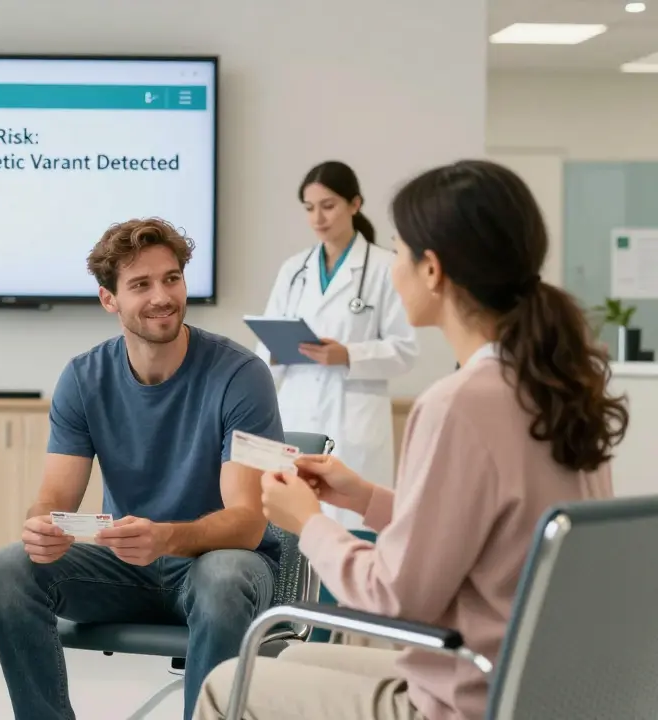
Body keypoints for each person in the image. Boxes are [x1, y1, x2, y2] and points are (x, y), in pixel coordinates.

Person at [196, 160, 627, 720]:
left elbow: (395, 597)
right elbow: (488, 533)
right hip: (541, 685)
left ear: (432, 270)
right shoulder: (555, 383)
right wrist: (365, 499)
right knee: (297, 664)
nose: (391, 266)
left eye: (398, 250)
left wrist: (309, 522)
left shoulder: (459, 403)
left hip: (468, 694)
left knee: (229, 681)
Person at [0, 218, 285, 720]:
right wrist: (43, 527)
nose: (162, 296)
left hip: (218, 567)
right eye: (141, 285)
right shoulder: (83, 378)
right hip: (126, 567)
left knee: (225, 574)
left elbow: (248, 524)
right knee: (12, 567)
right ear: (110, 300)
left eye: (171, 278)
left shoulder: (241, 376)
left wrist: (165, 538)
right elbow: (55, 496)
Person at [255, 161, 417, 527]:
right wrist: (276, 351)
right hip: (296, 411)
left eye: (328, 206)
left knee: (353, 527)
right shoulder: (294, 270)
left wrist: (349, 355)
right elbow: (262, 351)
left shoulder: (385, 267)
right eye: (310, 208)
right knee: (292, 532)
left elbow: (405, 350)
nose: (318, 217)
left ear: (355, 204)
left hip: (354, 421)